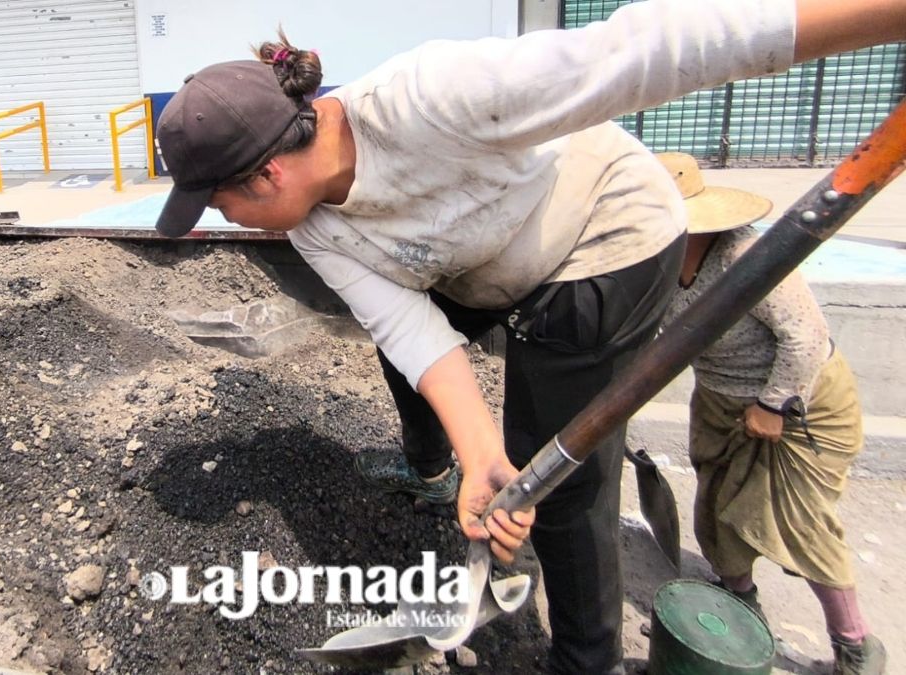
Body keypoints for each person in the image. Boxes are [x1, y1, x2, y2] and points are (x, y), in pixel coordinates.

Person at [151, 1, 906, 672]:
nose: (223, 223)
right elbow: (410, 326)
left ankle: (587, 655)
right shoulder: (314, 227)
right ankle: (436, 469)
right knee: (419, 377)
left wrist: (880, 14)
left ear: (268, 175)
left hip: (603, 238)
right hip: (481, 261)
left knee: (562, 476)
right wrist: (480, 456)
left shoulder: (435, 97)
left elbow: (643, 48)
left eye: (218, 206)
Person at [657, 152, 885, 675]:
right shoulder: (656, 266)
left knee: (796, 519)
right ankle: (738, 597)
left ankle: (854, 643)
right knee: (717, 504)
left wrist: (771, 404)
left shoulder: (743, 256)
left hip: (796, 404)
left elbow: (805, 338)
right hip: (719, 398)